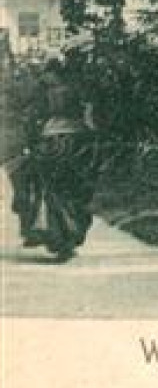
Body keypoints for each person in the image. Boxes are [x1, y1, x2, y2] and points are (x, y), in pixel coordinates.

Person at [8, 76, 98, 261]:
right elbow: (89, 117)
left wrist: (32, 141)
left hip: (51, 141)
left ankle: (58, 236)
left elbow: (32, 118)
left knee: (52, 190)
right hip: (78, 140)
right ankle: (69, 236)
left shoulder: (43, 93)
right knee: (73, 190)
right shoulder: (77, 88)